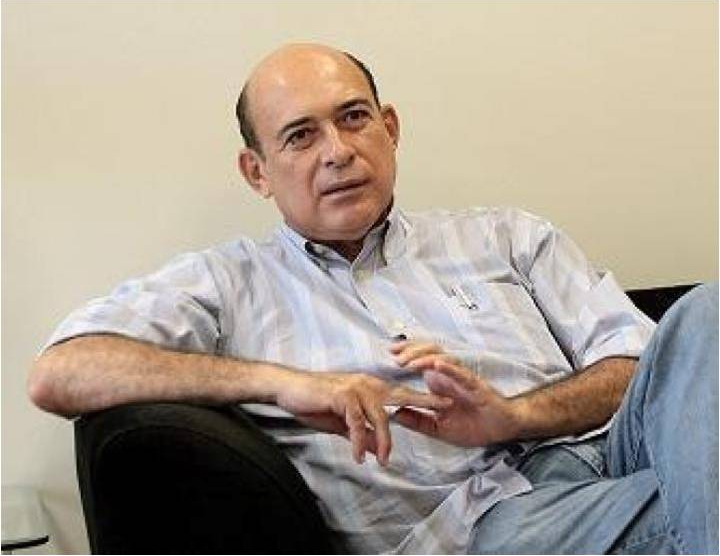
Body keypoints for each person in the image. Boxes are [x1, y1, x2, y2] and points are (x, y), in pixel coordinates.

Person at [29, 43, 718, 554]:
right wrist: (283, 383)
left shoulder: (506, 235)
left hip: (626, 457)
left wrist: (512, 416)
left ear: (389, 128)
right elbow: (61, 370)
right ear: (256, 172)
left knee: (707, 310)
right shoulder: (228, 282)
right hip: (488, 525)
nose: (337, 151)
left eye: (353, 118)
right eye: (300, 135)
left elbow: (639, 367)